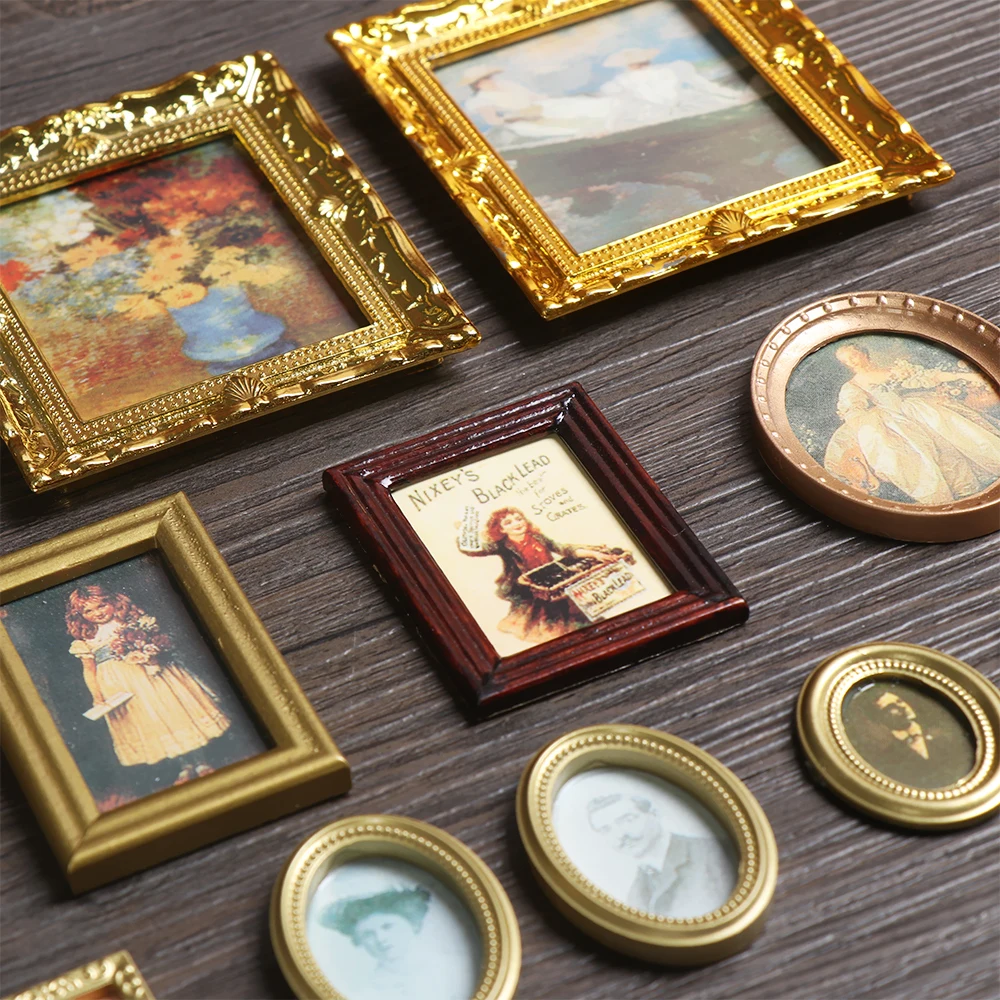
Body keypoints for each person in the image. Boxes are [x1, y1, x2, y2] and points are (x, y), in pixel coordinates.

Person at [66, 584, 231, 784]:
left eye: (102, 605)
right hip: (120, 688)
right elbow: (89, 671)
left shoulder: (129, 623)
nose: (97, 613)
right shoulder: (86, 641)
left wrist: (151, 656)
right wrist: (97, 696)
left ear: (113, 601)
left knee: (173, 714)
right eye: (88, 611)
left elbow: (155, 643)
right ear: (80, 615)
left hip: (150, 677)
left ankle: (201, 762)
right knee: (153, 723)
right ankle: (184, 766)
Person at [822, 342, 1000, 503]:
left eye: (853, 356)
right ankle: (942, 499)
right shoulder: (853, 385)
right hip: (893, 422)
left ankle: (965, 489)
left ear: (862, 352)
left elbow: (930, 376)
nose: (851, 362)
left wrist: (967, 376)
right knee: (919, 457)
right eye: (846, 361)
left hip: (916, 410)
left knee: (947, 441)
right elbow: (853, 411)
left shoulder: (894, 369)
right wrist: (865, 428)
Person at [459, 507, 619, 644]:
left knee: (573, 613)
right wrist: (465, 532)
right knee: (543, 621)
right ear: (501, 530)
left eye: (519, 519)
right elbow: (474, 550)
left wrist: (594, 554)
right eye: (508, 522)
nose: (516, 523)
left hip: (553, 582)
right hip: (527, 586)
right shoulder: (502, 546)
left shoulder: (538, 538)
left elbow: (563, 549)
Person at [586, 793, 735, 917]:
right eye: (606, 830)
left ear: (655, 814)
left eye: (628, 820)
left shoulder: (713, 853)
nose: (620, 835)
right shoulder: (635, 895)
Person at [320, 887, 434, 998]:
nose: (380, 939)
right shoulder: (368, 991)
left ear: (413, 924)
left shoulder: (438, 968)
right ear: (359, 941)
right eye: (368, 934)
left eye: (387, 926)